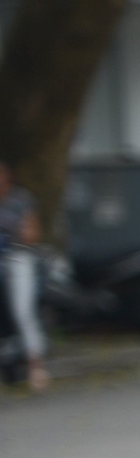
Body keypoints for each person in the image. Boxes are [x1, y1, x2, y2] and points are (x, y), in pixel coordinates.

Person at [0, 161, 49, 392]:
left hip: (18, 258)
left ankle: (35, 365)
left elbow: (32, 234)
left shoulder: (21, 201)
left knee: (22, 310)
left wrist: (18, 236)